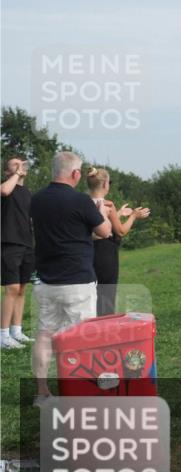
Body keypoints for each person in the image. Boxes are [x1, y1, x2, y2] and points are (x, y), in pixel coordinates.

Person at [30, 151, 113, 404]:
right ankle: (85, 389)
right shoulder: (81, 201)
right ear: (76, 174)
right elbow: (105, 232)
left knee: (44, 335)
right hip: (77, 280)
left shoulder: (36, 200)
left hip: (46, 280)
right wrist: (102, 211)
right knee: (85, 336)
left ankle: (42, 393)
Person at [86, 168, 151, 316]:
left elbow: (98, 224)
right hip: (105, 253)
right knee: (106, 292)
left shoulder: (83, 203)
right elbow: (121, 231)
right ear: (105, 185)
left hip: (87, 251)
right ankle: (104, 324)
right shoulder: (108, 205)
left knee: (90, 293)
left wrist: (119, 214)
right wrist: (133, 216)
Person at [1, 157, 34, 349]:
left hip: (27, 244)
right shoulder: (6, 187)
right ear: (7, 172)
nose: (20, 165)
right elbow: (5, 190)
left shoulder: (27, 193)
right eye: (14, 164)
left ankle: (16, 330)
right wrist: (16, 174)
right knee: (12, 288)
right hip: (9, 243)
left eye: (22, 164)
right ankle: (3, 335)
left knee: (22, 288)